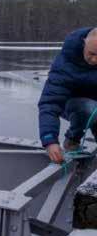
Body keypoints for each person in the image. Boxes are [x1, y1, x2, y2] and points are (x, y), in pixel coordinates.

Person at [39, 27, 97, 163]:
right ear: (84, 43)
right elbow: (50, 103)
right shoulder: (65, 64)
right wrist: (49, 140)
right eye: (91, 53)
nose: (95, 60)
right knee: (89, 107)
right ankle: (73, 139)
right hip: (73, 105)